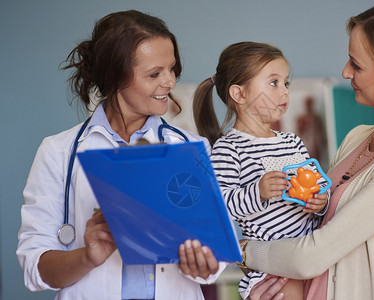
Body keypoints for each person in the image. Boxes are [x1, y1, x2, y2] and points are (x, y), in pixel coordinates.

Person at [238, 3, 374, 300]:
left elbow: (312, 255)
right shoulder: (357, 138)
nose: (345, 71)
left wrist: (244, 250)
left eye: (357, 64)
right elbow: (310, 230)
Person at [16, 10, 225, 300]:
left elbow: (214, 257)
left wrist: (202, 265)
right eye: (154, 74)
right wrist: (88, 257)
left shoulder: (193, 149)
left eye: (172, 68)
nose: (170, 82)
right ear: (114, 77)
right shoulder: (58, 151)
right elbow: (35, 267)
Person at [193, 41, 329, 300]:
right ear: (239, 94)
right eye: (274, 83)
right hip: (275, 267)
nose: (285, 92)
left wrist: (320, 202)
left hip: (313, 253)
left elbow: (317, 184)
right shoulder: (229, 148)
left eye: (287, 83)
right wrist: (259, 192)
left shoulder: (291, 141)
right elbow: (221, 206)